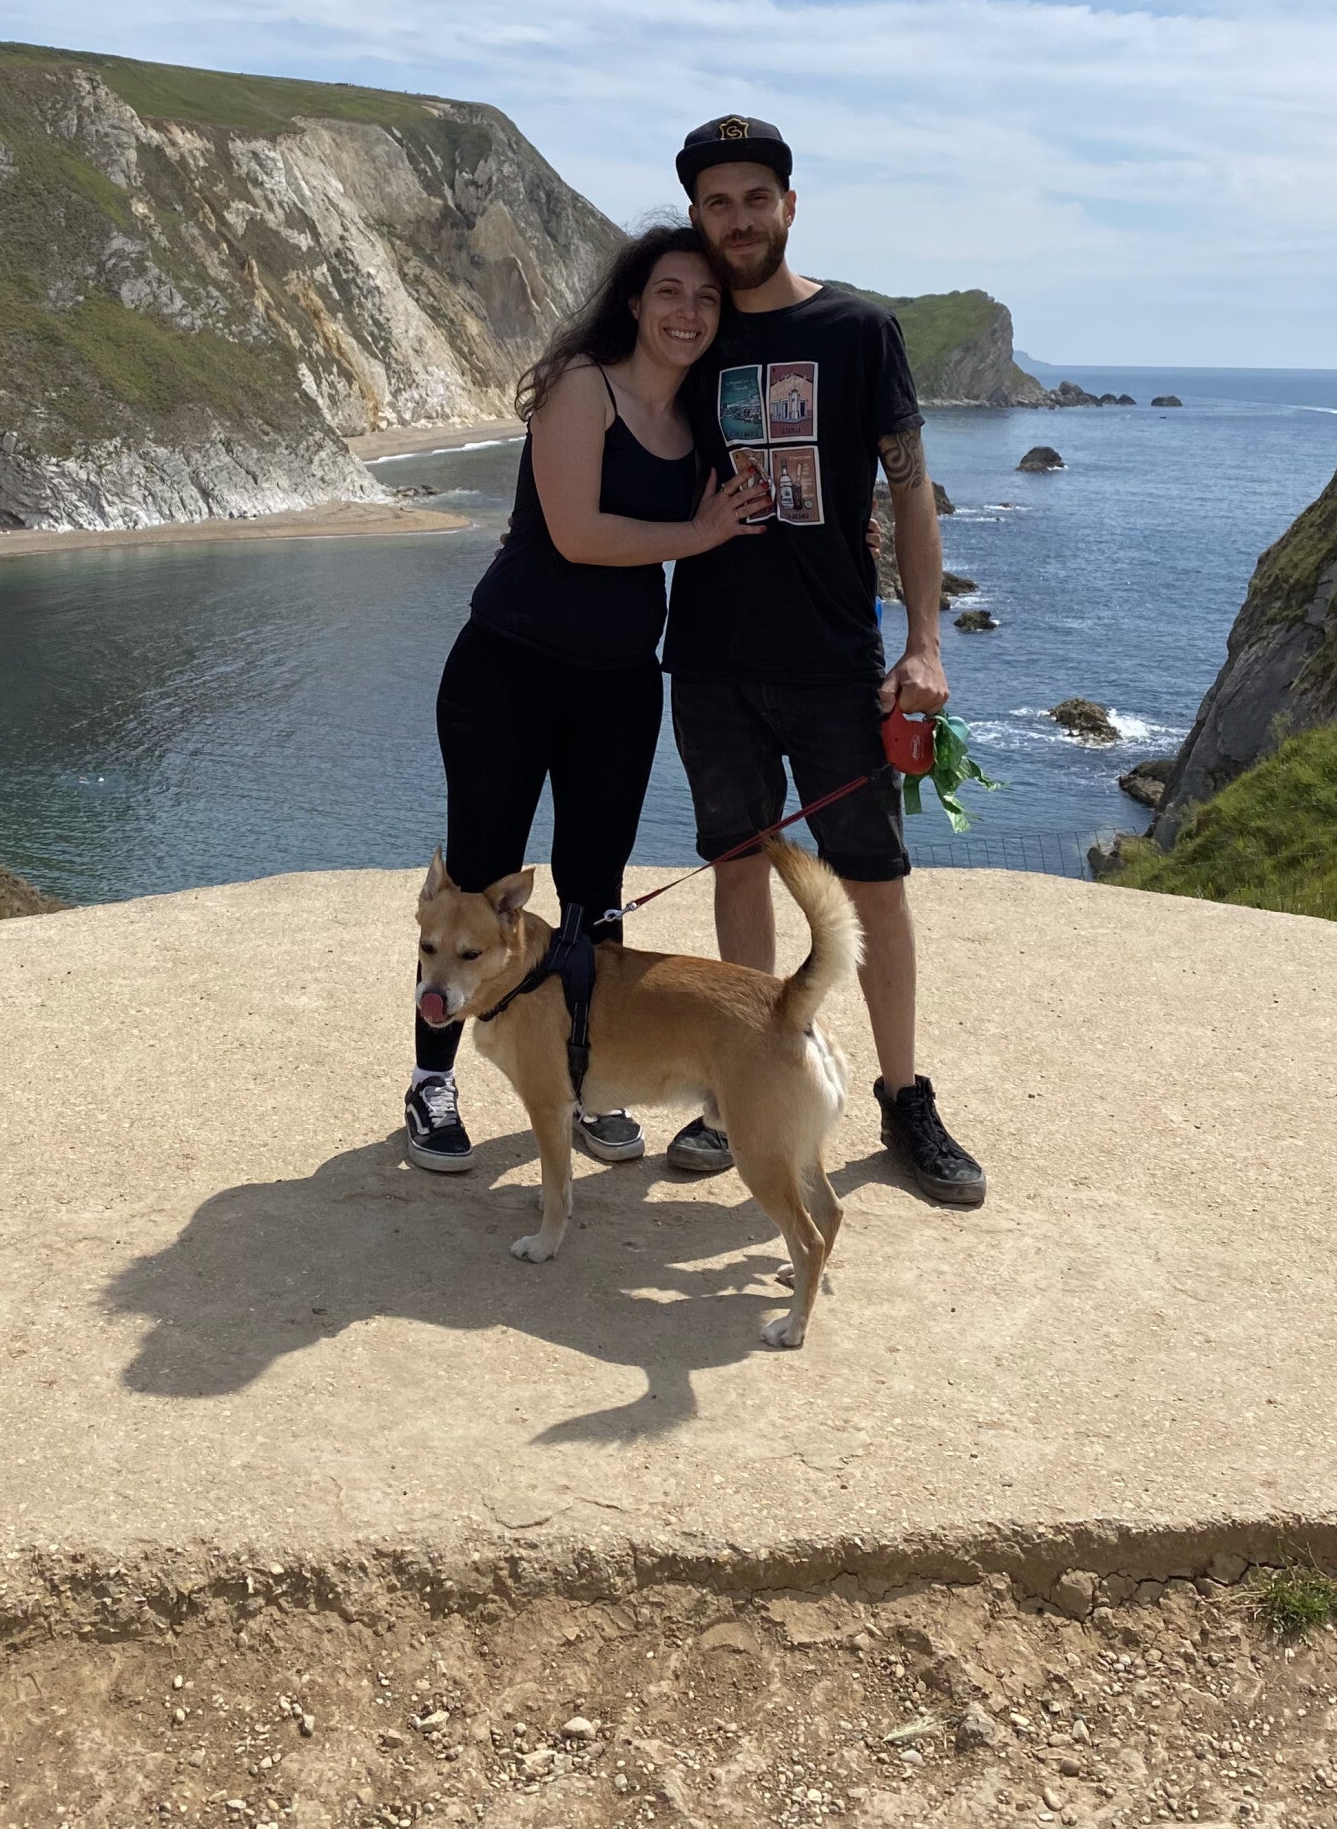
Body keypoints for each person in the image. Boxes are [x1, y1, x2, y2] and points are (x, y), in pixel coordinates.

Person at [659, 115, 987, 1206]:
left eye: (756, 198)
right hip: (709, 659)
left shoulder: (858, 329)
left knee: (875, 886)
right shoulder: (688, 332)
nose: (738, 219)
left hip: (836, 662)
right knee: (739, 871)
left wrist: (927, 643)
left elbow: (909, 488)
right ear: (699, 218)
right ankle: (739, 1088)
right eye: (717, 203)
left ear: (789, 207)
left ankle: (904, 1096)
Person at [404, 225, 770, 1173]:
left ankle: (579, 1076)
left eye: (706, 298)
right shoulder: (584, 386)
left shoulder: (697, 421)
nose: (688, 312)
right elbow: (575, 535)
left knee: (595, 893)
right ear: (635, 303)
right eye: (670, 293)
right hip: (508, 669)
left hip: (617, 683)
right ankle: (432, 1080)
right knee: (477, 885)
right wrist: (701, 532)